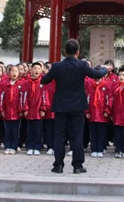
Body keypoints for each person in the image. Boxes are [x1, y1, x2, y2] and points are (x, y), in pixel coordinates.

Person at [40, 39, 107, 174]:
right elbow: (97, 74)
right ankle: (77, 165)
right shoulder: (82, 65)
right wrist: (105, 68)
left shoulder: (57, 66)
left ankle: (58, 165)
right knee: (77, 136)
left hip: (61, 106)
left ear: (65, 51)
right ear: (78, 52)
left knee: (59, 136)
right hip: (77, 106)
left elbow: (44, 80)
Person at [22, 62, 47, 155]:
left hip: (38, 111)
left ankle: (37, 147)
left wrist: (43, 108)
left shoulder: (43, 82)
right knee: (29, 130)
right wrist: (25, 109)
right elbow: (24, 97)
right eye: (35, 68)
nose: (37, 70)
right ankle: (30, 147)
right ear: (31, 70)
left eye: (38, 69)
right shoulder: (26, 83)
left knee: (38, 131)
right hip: (29, 111)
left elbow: (45, 96)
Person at [0, 65, 23, 155]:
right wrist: (1, 110)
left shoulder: (21, 84)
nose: (14, 73)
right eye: (12, 71)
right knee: (7, 130)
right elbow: (1, 98)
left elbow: (22, 98)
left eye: (16, 71)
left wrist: (21, 110)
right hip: (7, 112)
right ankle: (7, 146)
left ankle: (14, 147)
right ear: (8, 73)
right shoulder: (4, 84)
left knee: (15, 131)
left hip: (17, 112)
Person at [85, 75, 111, 158]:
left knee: (101, 133)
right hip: (92, 114)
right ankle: (94, 149)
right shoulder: (90, 86)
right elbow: (87, 100)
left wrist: (107, 110)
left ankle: (100, 149)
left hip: (102, 115)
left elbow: (109, 99)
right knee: (93, 133)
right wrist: (87, 111)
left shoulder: (106, 86)